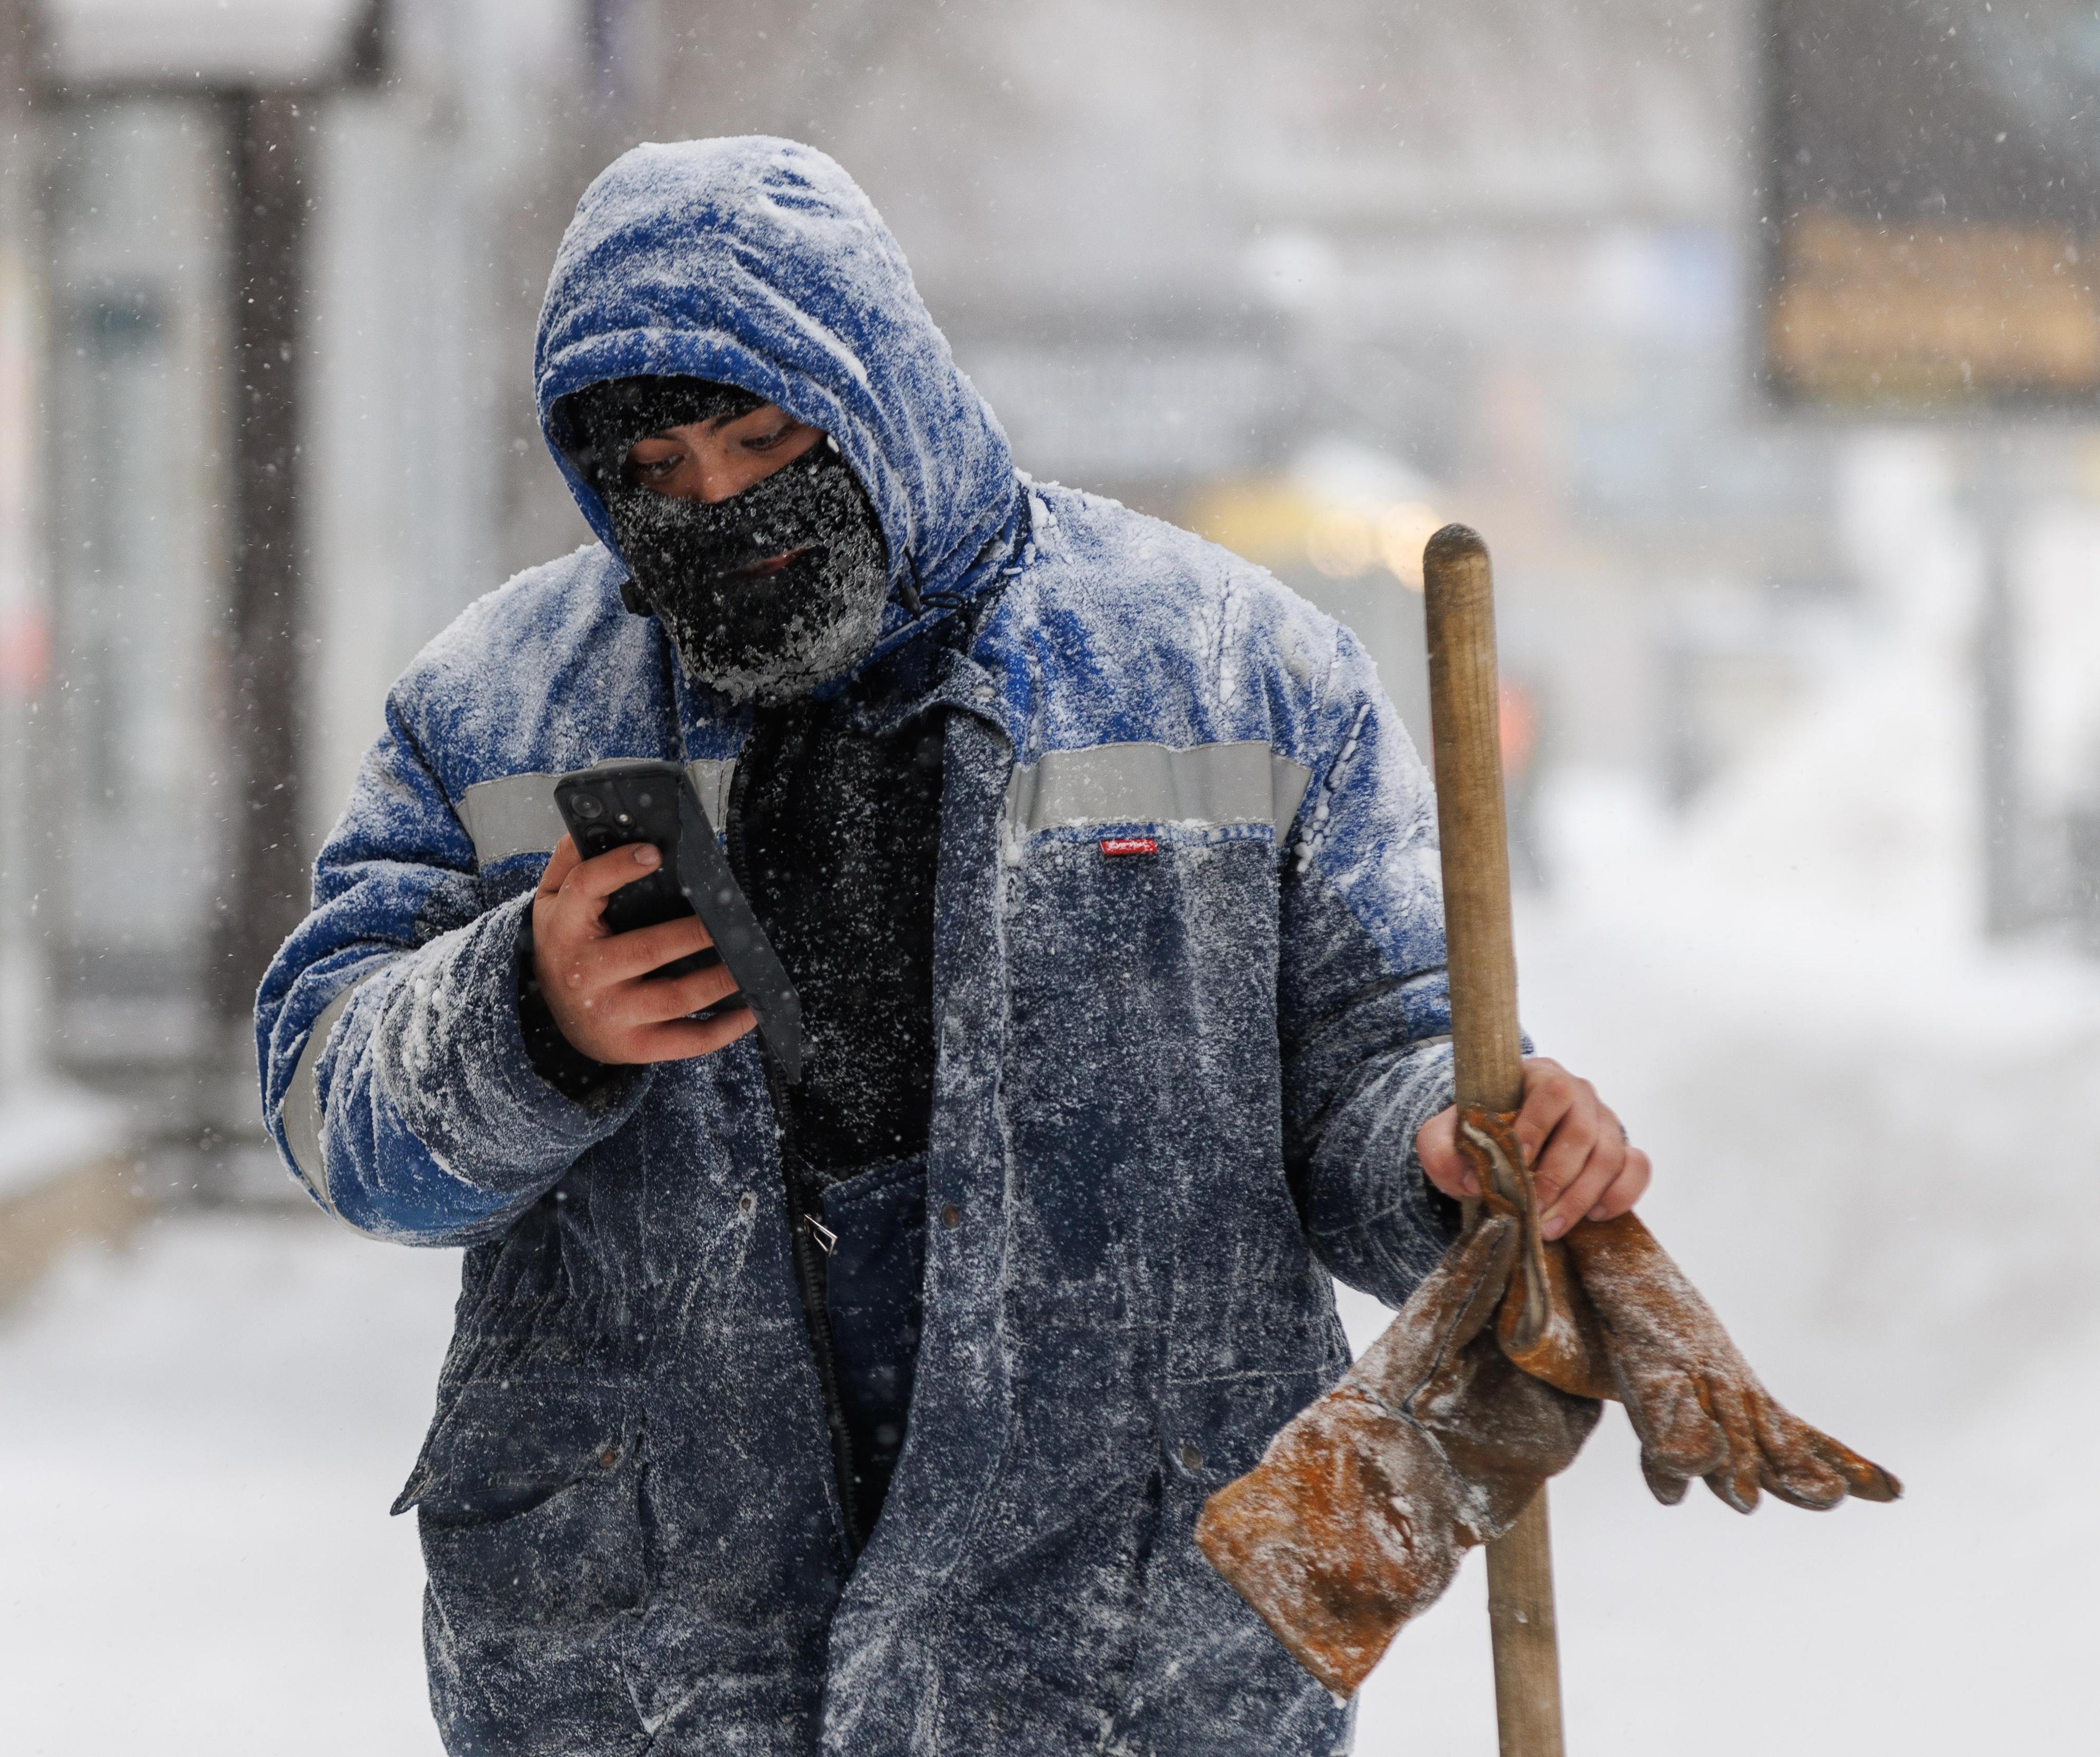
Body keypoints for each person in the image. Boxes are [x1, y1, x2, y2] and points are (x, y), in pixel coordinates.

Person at [254, 136, 1647, 1757]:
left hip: (1120, 1657)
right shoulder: (494, 707)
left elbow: (1376, 1054)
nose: (721, 500)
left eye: (765, 433)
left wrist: (1455, 1148)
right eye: (659, 467)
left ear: (877, 387)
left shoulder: (1229, 672)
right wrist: (524, 1013)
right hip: (639, 1670)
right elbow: (325, 1108)